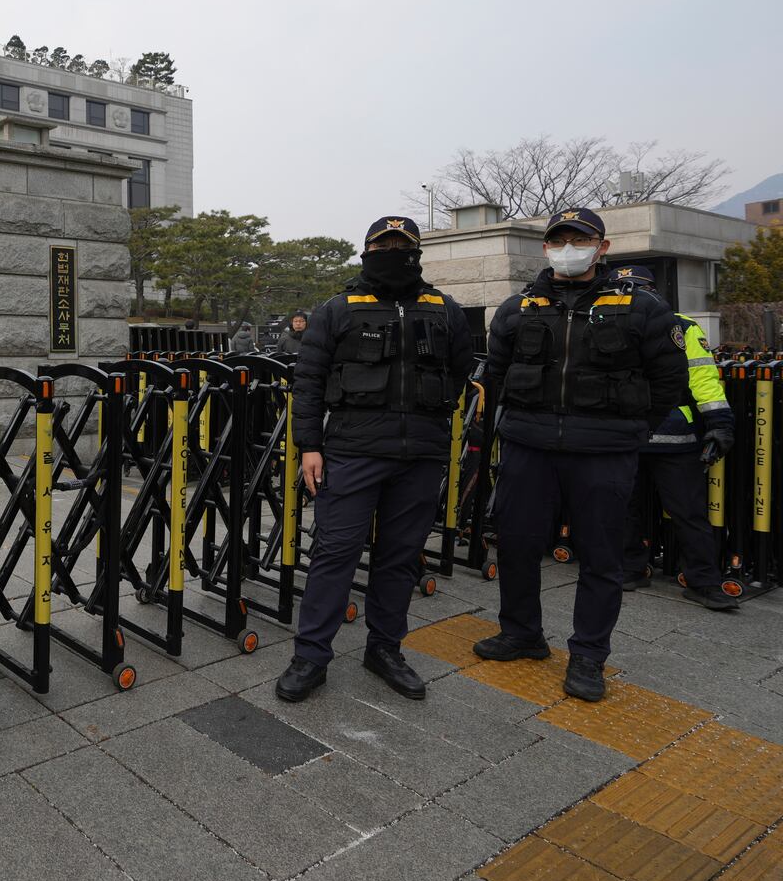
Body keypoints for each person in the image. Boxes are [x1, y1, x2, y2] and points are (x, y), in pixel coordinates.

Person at [475, 209, 686, 701]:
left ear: (602, 247)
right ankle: (522, 633)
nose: (569, 246)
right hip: (529, 446)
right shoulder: (519, 306)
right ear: (545, 248)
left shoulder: (641, 306)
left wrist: (630, 431)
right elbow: (497, 373)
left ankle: (589, 655)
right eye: (559, 239)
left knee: (600, 556)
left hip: (603, 451)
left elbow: (669, 381)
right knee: (516, 543)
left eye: (579, 238)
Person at [276, 216, 474, 702]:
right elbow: (308, 384)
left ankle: (384, 649)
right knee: (333, 554)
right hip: (350, 452)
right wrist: (309, 447)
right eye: (382, 243)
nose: (392, 250)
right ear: (366, 250)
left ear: (416, 251)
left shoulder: (445, 310)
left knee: (400, 558)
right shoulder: (337, 309)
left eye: (401, 244)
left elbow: (460, 370)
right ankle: (311, 656)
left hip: (419, 457)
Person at [612, 265, 738, 610]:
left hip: (675, 439)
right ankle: (630, 569)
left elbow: (704, 379)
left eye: (638, 287)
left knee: (688, 513)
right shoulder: (602, 322)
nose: (632, 293)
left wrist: (720, 423)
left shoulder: (681, 326)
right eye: (624, 287)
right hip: (624, 436)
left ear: (655, 290)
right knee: (622, 509)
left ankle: (704, 582)